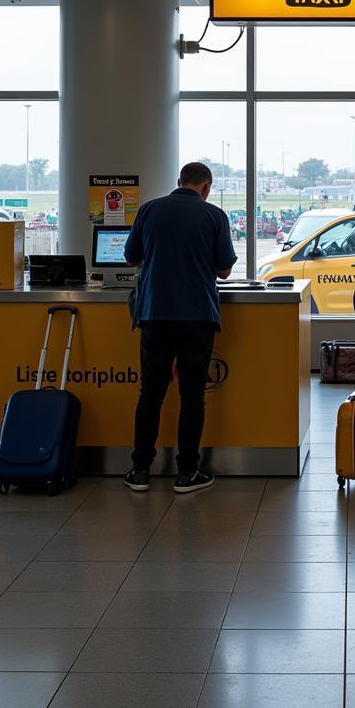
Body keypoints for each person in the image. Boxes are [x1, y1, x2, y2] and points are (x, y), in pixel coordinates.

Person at [121, 161, 237, 494]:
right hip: (197, 316)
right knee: (192, 397)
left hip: (154, 314)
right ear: (207, 187)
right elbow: (225, 271)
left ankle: (140, 470)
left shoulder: (148, 210)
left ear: (179, 182)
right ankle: (187, 473)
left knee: (150, 394)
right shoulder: (215, 216)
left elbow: (131, 258)